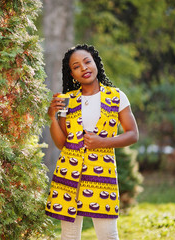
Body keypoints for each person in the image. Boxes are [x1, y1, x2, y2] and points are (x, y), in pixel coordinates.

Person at [45, 44, 139, 240]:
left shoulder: (117, 96)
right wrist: (52, 117)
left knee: (108, 235)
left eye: (87, 62)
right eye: (76, 66)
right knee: (69, 235)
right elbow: (62, 143)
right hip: (69, 175)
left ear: (96, 63)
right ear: (71, 74)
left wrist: (102, 143)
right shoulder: (67, 100)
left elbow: (132, 135)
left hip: (102, 174)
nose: (84, 68)